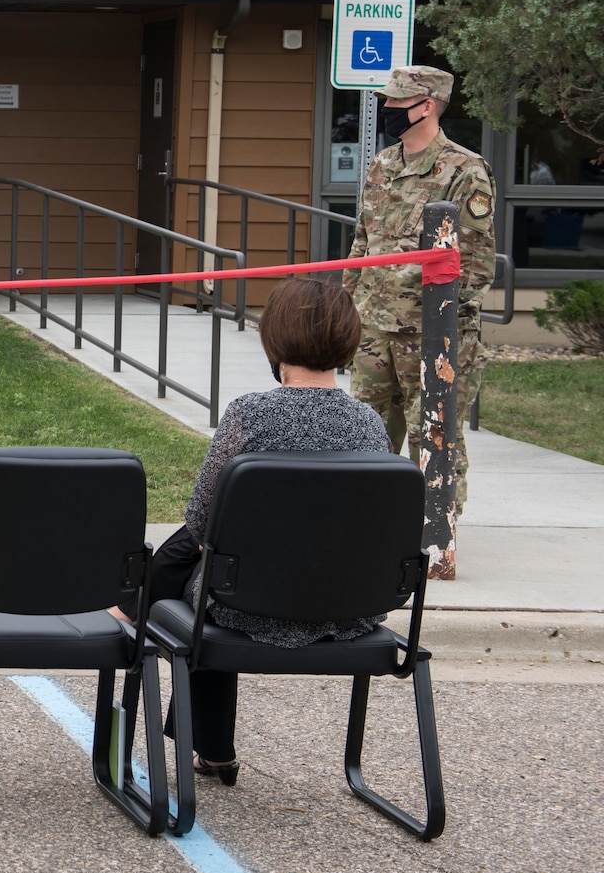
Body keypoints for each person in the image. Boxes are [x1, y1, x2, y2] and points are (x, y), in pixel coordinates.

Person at [125, 278, 392, 784]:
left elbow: (203, 523)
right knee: (220, 568)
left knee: (212, 575)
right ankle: (211, 748)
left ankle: (209, 744)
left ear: (273, 342)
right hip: (350, 604)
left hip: (247, 601)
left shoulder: (251, 414)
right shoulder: (370, 425)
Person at [341, 65, 493, 578]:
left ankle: (436, 542)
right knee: (364, 434)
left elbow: (473, 265)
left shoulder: (464, 170)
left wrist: (440, 325)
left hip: (432, 334)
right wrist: (346, 309)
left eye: (396, 102)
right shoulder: (382, 163)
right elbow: (364, 242)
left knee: (435, 437)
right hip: (373, 329)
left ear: (426, 105)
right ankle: (364, 534)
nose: (387, 110)